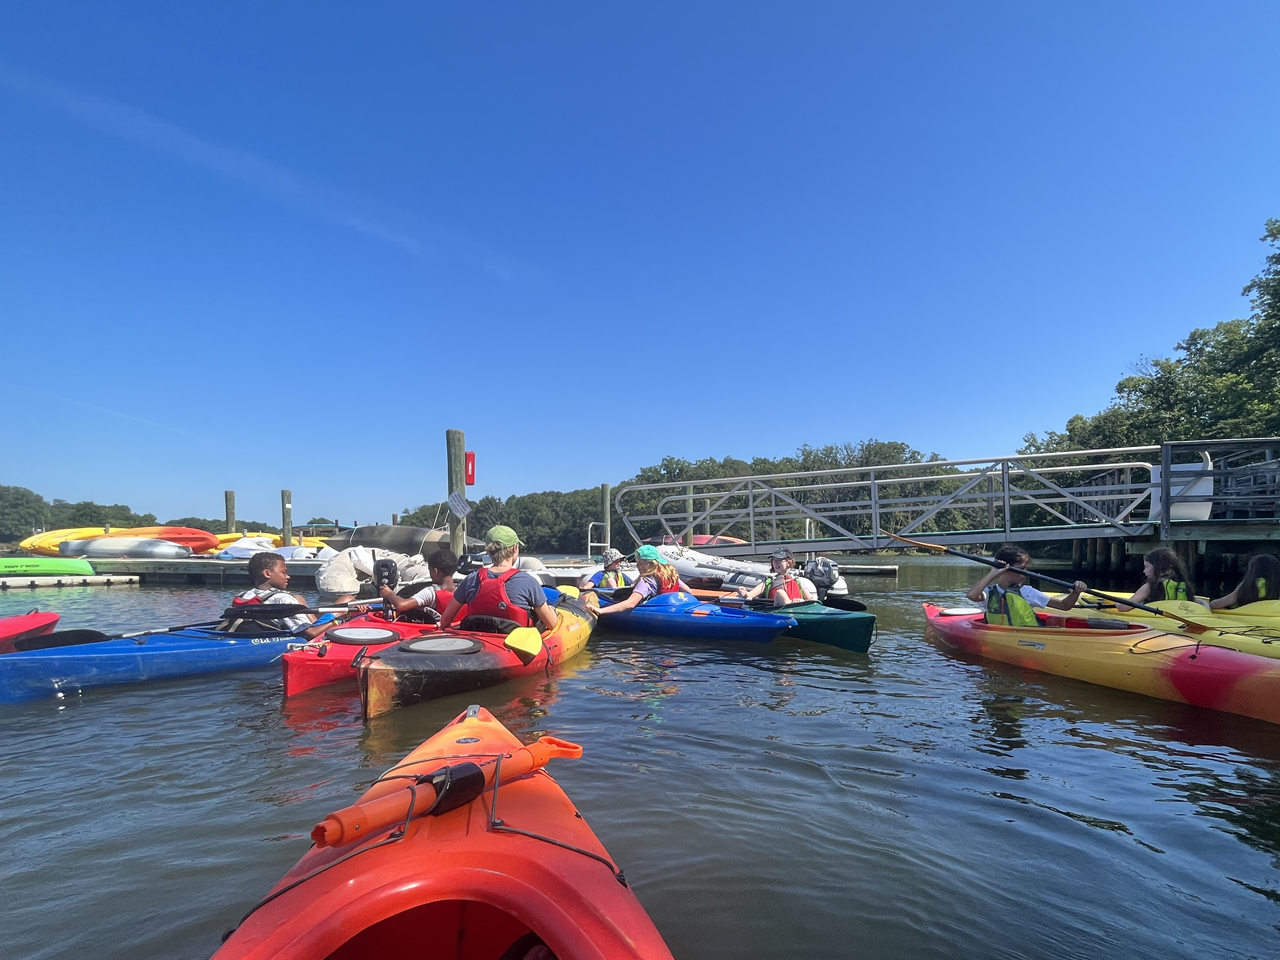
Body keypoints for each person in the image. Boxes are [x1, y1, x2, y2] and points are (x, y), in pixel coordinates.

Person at [437, 526, 558, 632]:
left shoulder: (471, 579)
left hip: (477, 644)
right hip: (516, 648)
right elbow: (552, 624)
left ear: (489, 551)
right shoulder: (527, 581)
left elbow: (445, 620)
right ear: (514, 549)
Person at [230, 552, 358, 639]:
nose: (288, 576)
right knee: (348, 599)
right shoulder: (283, 599)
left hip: (253, 632)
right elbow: (311, 634)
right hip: (305, 631)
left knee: (298, 598)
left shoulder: (244, 595)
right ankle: (341, 614)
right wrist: (340, 620)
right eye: (284, 572)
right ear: (267, 573)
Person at [965, 544, 1088, 626]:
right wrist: (993, 572)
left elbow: (1064, 605)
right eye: (1021, 569)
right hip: (1000, 637)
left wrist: (1076, 592)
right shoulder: (988, 592)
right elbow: (972, 595)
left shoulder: (1027, 592)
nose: (1025, 573)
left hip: (1027, 638)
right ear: (1005, 569)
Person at [584, 545, 690, 618]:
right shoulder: (670, 574)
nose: (638, 567)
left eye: (640, 563)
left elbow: (630, 604)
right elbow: (688, 592)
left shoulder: (647, 580)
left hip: (659, 612)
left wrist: (601, 611)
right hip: (674, 607)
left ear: (651, 564)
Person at [378, 549, 459, 621]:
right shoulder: (461, 589)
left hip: (437, 632)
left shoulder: (430, 593)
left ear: (435, 571)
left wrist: (389, 594)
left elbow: (401, 605)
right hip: (459, 630)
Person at [1118, 547, 1207, 611]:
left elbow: (1124, 607)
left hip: (1159, 622)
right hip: (1179, 618)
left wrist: (1117, 604)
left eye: (1146, 567)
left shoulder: (1150, 586)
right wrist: (1206, 607)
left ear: (1158, 568)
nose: (1144, 571)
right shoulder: (1182, 584)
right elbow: (1199, 603)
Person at [736, 547, 818, 606]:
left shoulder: (797, 581)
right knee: (780, 592)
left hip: (797, 610)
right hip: (779, 612)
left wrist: (801, 601)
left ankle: (791, 607)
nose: (776, 563)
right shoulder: (769, 581)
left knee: (813, 597)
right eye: (774, 560)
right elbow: (749, 595)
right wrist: (744, 592)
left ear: (789, 562)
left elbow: (811, 599)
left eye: (779, 560)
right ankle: (789, 606)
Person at [1209, 553, 1280, 609]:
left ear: (1253, 570)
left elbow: (1216, 605)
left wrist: (1208, 603)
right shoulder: (1276, 585)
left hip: (1245, 618)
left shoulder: (1250, 584)